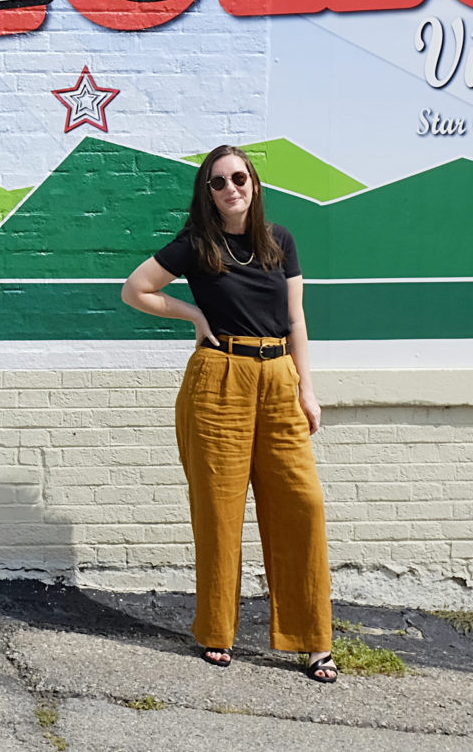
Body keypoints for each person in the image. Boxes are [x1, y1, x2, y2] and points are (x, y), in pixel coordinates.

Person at [120, 144, 336, 682]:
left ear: (254, 183)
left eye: (239, 177)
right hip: (219, 379)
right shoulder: (197, 245)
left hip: (279, 378)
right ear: (208, 193)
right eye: (218, 182)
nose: (231, 187)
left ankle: (314, 640)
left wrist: (307, 390)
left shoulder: (279, 241)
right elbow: (136, 289)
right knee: (218, 511)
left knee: (302, 503)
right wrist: (191, 312)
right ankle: (217, 631)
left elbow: (297, 320)